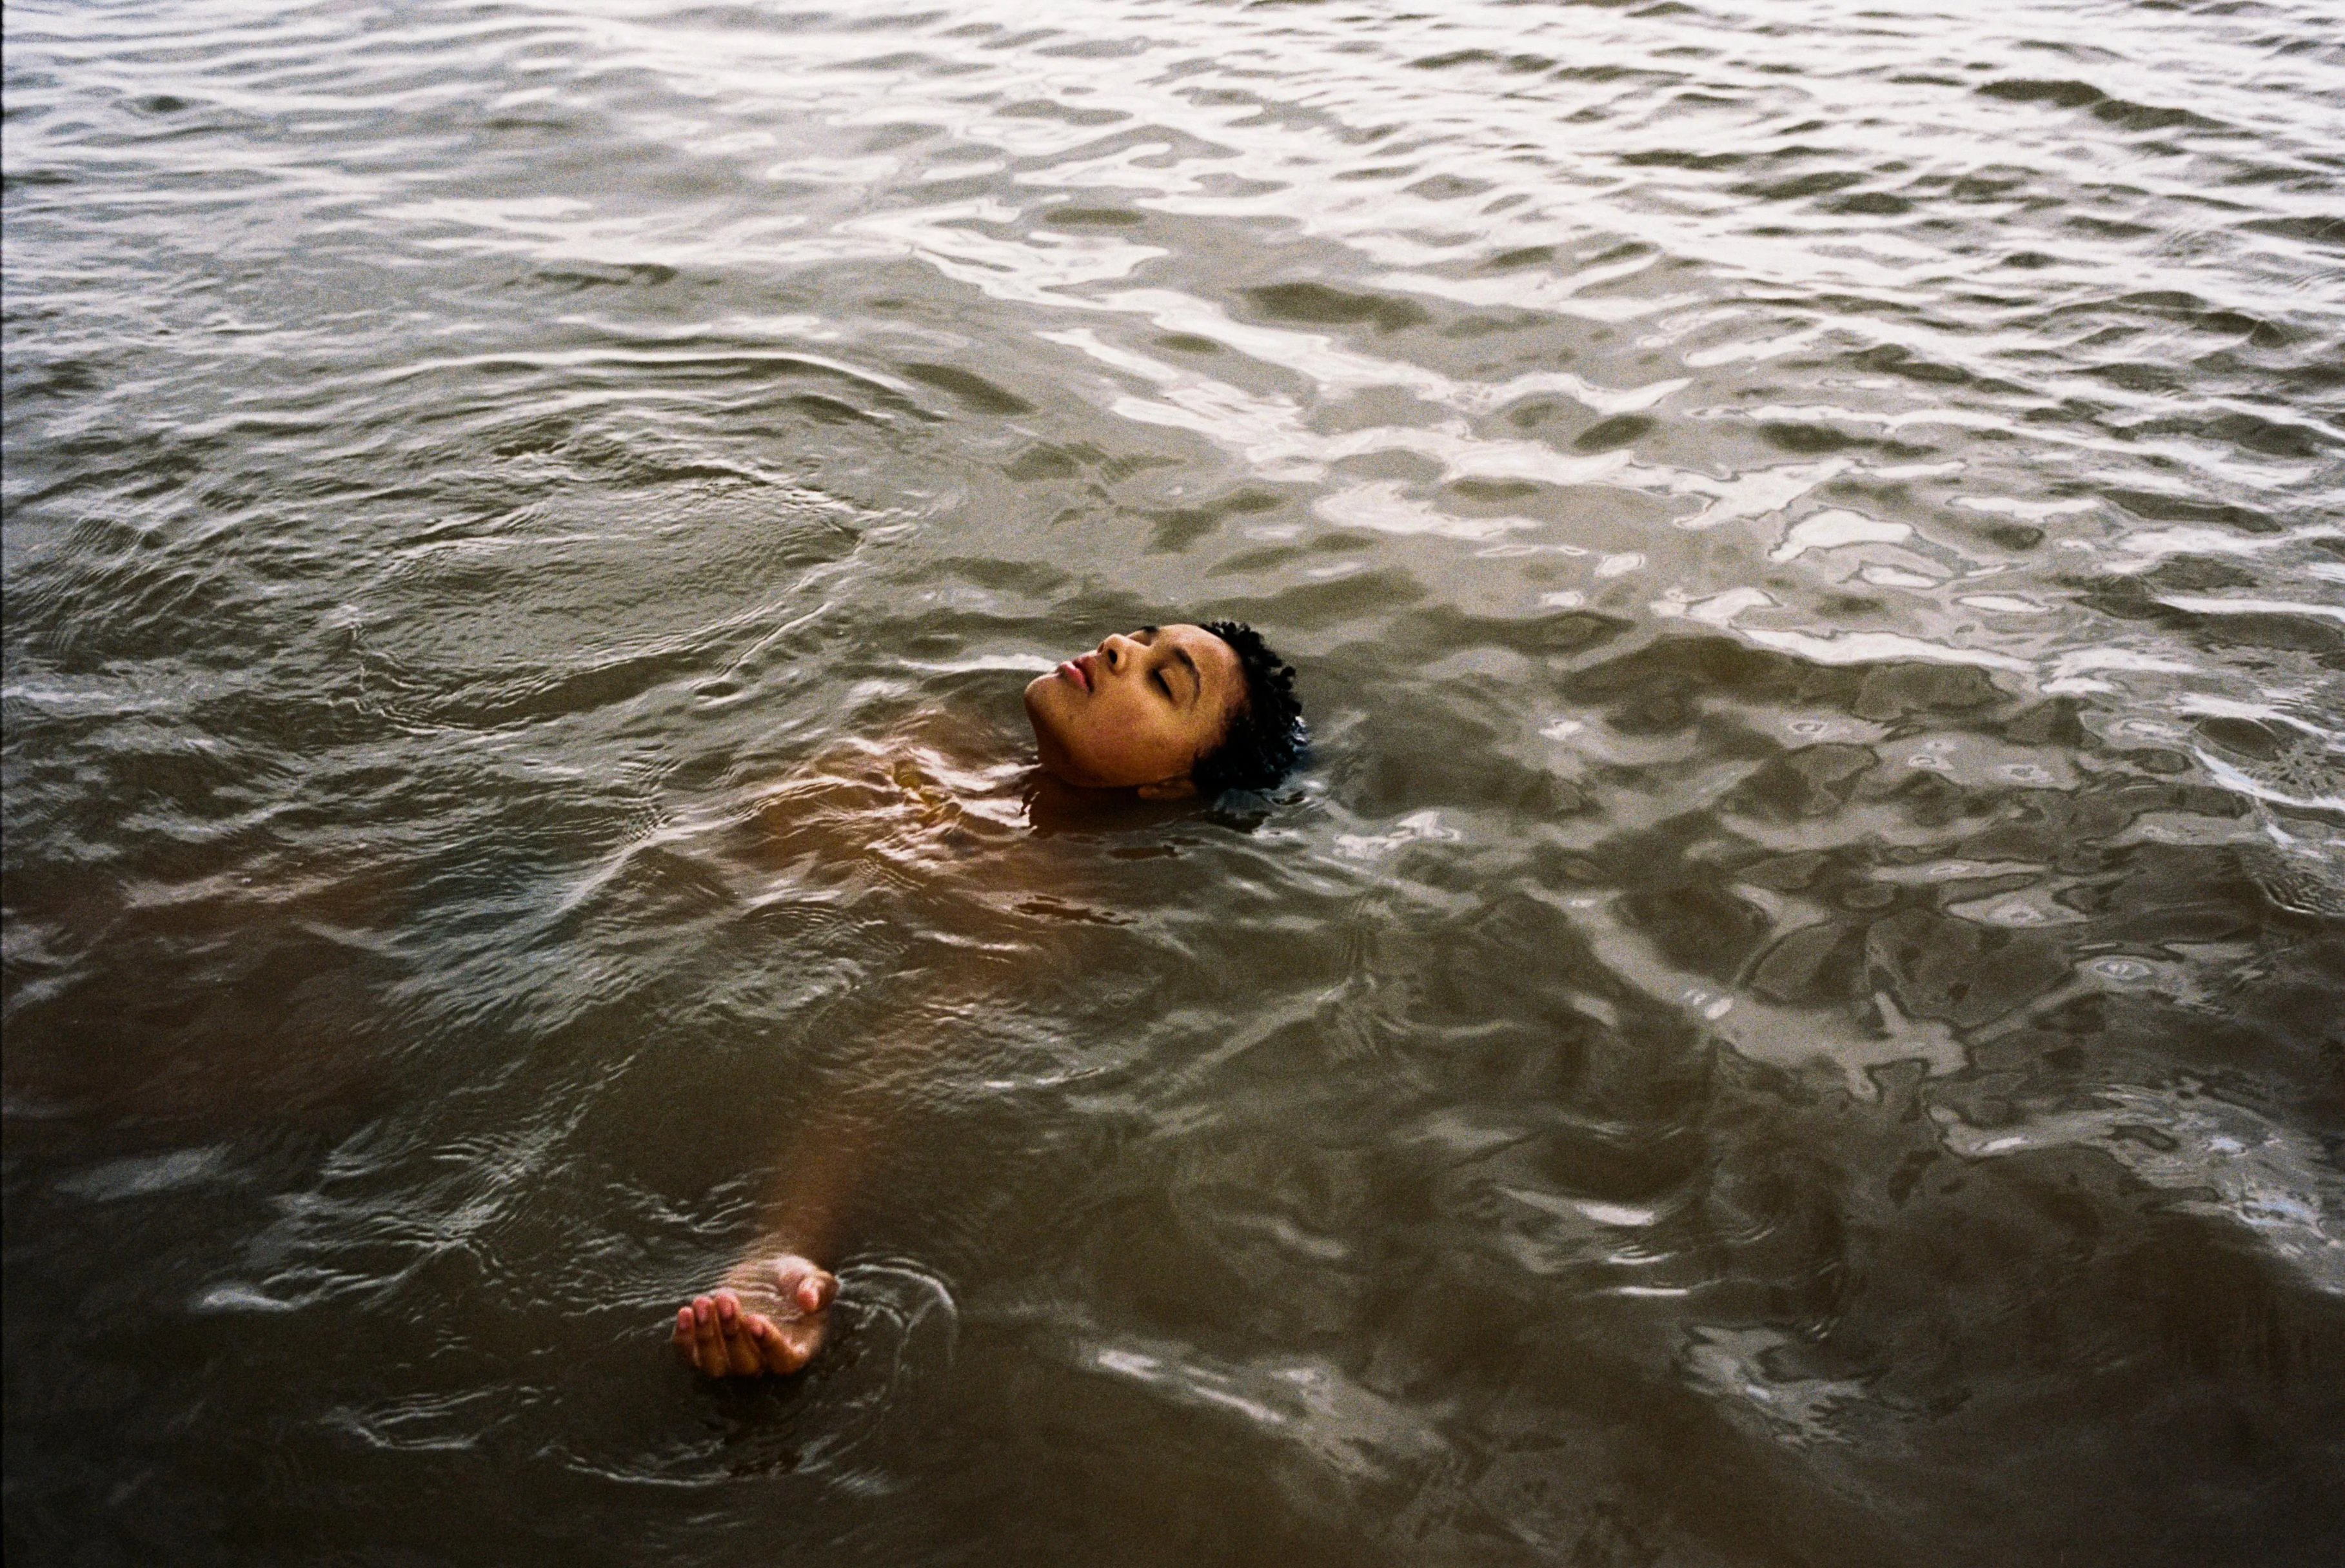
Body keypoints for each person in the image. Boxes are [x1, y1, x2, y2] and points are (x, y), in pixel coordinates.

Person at [670, 621, 1303, 1378]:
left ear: (1172, 784)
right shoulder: (941, 736)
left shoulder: (1039, 911)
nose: (1115, 648)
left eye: (1164, 680)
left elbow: (885, 1070)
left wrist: (783, 1242)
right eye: (1138, 635)